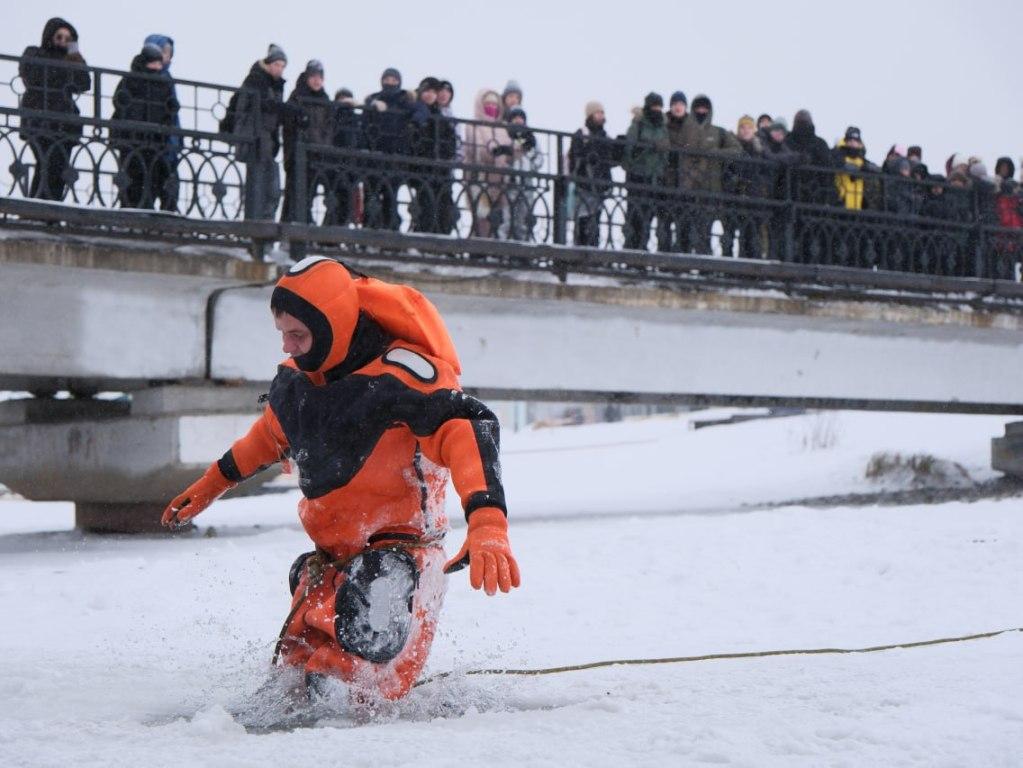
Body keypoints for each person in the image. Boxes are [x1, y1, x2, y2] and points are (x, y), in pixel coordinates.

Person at [161, 256, 520, 704]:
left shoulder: (401, 378)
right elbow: (268, 437)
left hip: (399, 560)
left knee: (364, 651)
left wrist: (487, 522)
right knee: (294, 670)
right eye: (283, 334)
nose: (289, 347)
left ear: (332, 324)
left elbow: (465, 432)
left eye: (299, 335)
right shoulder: (297, 383)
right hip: (331, 563)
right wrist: (212, 483)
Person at [18, 17, 91, 201]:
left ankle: (50, 210)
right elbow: (33, 75)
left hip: (65, 123)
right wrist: (64, 68)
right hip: (39, 118)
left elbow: (84, 83)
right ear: (50, 36)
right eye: (59, 36)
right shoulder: (34, 53)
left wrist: (74, 55)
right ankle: (38, 208)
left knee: (60, 168)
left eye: (68, 39)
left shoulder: (72, 59)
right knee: (47, 163)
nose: (63, 41)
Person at [110, 43, 180, 210]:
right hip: (133, 140)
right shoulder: (132, 80)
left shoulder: (163, 83)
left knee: (152, 180)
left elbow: (170, 110)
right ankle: (131, 213)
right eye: (154, 63)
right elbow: (121, 104)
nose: (157, 66)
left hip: (155, 141)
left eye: (159, 63)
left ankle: (144, 213)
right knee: (133, 181)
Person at [677, 94, 741, 254]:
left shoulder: (718, 132)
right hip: (687, 188)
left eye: (704, 108)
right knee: (684, 230)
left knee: (704, 231)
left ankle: (704, 264)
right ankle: (680, 264)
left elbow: (736, 150)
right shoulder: (684, 129)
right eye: (698, 107)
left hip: (710, 190)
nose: (701, 111)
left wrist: (716, 153)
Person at [231, 44, 288, 222]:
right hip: (255, 137)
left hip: (267, 139)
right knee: (260, 186)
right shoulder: (256, 79)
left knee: (270, 188)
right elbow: (257, 106)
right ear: (268, 64)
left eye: (282, 66)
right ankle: (257, 228)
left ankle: (264, 228)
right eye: (277, 64)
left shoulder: (275, 84)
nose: (279, 69)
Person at [281, 59, 334, 226]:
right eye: (313, 76)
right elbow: (288, 124)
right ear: (307, 77)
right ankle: (290, 231)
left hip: (319, 155)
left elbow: (329, 127)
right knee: (295, 194)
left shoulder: (325, 100)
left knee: (310, 194)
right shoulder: (297, 97)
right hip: (299, 154)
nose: (317, 81)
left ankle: (305, 229)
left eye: (320, 77)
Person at [362, 68, 413, 230]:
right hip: (374, 156)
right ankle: (369, 232)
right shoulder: (374, 98)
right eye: (388, 79)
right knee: (371, 196)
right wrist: (373, 104)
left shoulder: (404, 101)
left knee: (391, 197)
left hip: (395, 157)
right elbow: (365, 115)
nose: (390, 83)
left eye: (394, 80)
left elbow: (419, 109)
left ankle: (391, 233)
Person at [408, 77, 458, 233]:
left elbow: (451, 142)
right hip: (423, 168)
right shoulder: (416, 110)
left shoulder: (440, 116)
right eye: (427, 91)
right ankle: (422, 237)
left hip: (441, 169)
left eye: (434, 92)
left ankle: (442, 239)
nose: (430, 95)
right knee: (426, 205)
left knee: (444, 205)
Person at [622, 92, 669, 250]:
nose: (657, 109)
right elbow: (629, 151)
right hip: (637, 178)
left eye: (659, 107)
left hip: (655, 179)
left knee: (648, 220)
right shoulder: (638, 124)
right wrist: (647, 146)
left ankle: (642, 253)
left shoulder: (663, 126)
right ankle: (631, 254)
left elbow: (667, 151)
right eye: (654, 106)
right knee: (634, 219)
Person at [463, 89, 511, 237]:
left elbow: (511, 151)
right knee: (481, 217)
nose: (492, 107)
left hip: (499, 181)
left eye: (495, 105)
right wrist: (495, 152)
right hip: (479, 179)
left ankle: (493, 250)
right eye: (488, 104)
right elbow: (475, 150)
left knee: (496, 218)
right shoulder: (473, 126)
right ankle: (478, 250)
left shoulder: (503, 128)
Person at [568, 100, 616, 247]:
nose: (601, 115)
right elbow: (574, 157)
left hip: (599, 187)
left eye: (602, 113)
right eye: (598, 113)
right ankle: (580, 254)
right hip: (584, 186)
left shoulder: (605, 137)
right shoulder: (581, 134)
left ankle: (593, 255)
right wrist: (587, 155)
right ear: (590, 115)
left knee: (595, 224)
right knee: (582, 224)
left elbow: (611, 160)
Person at [142, 33, 181, 211]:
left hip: (168, 141)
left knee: (170, 185)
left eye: (169, 53)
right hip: (153, 141)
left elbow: (174, 113)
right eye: (164, 51)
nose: (167, 56)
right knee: (148, 184)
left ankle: (169, 217)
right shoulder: (144, 76)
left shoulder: (167, 77)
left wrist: (178, 139)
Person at [721, 115, 766, 258]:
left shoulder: (760, 151)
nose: (745, 130)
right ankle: (727, 267)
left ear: (754, 130)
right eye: (742, 127)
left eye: (749, 127)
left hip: (753, 200)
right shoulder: (733, 148)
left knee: (751, 237)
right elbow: (726, 172)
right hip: (734, 198)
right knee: (729, 236)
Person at [497, 106, 543, 241]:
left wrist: (527, 155)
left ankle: (523, 249)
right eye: (515, 118)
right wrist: (510, 156)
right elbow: (499, 157)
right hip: (510, 181)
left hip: (526, 181)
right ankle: (505, 249)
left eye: (521, 118)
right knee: (508, 218)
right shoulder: (505, 136)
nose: (518, 121)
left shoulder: (531, 138)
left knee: (523, 218)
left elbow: (539, 160)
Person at [761, 117, 800, 260]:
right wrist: (787, 159)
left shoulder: (784, 147)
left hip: (780, 196)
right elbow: (769, 157)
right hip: (766, 194)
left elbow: (791, 157)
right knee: (767, 232)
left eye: (781, 132)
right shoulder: (764, 143)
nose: (778, 134)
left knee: (779, 233)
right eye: (775, 131)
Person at [657, 91, 689, 253]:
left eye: (681, 104)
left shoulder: (691, 127)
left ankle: (681, 261)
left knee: (684, 226)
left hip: (685, 183)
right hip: (666, 180)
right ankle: (663, 258)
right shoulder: (663, 124)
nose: (678, 107)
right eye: (675, 104)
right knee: (664, 224)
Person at [329, 88, 363, 227]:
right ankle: (333, 234)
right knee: (336, 201)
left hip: (349, 164)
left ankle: (337, 232)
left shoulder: (355, 119)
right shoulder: (333, 116)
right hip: (336, 163)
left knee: (346, 202)